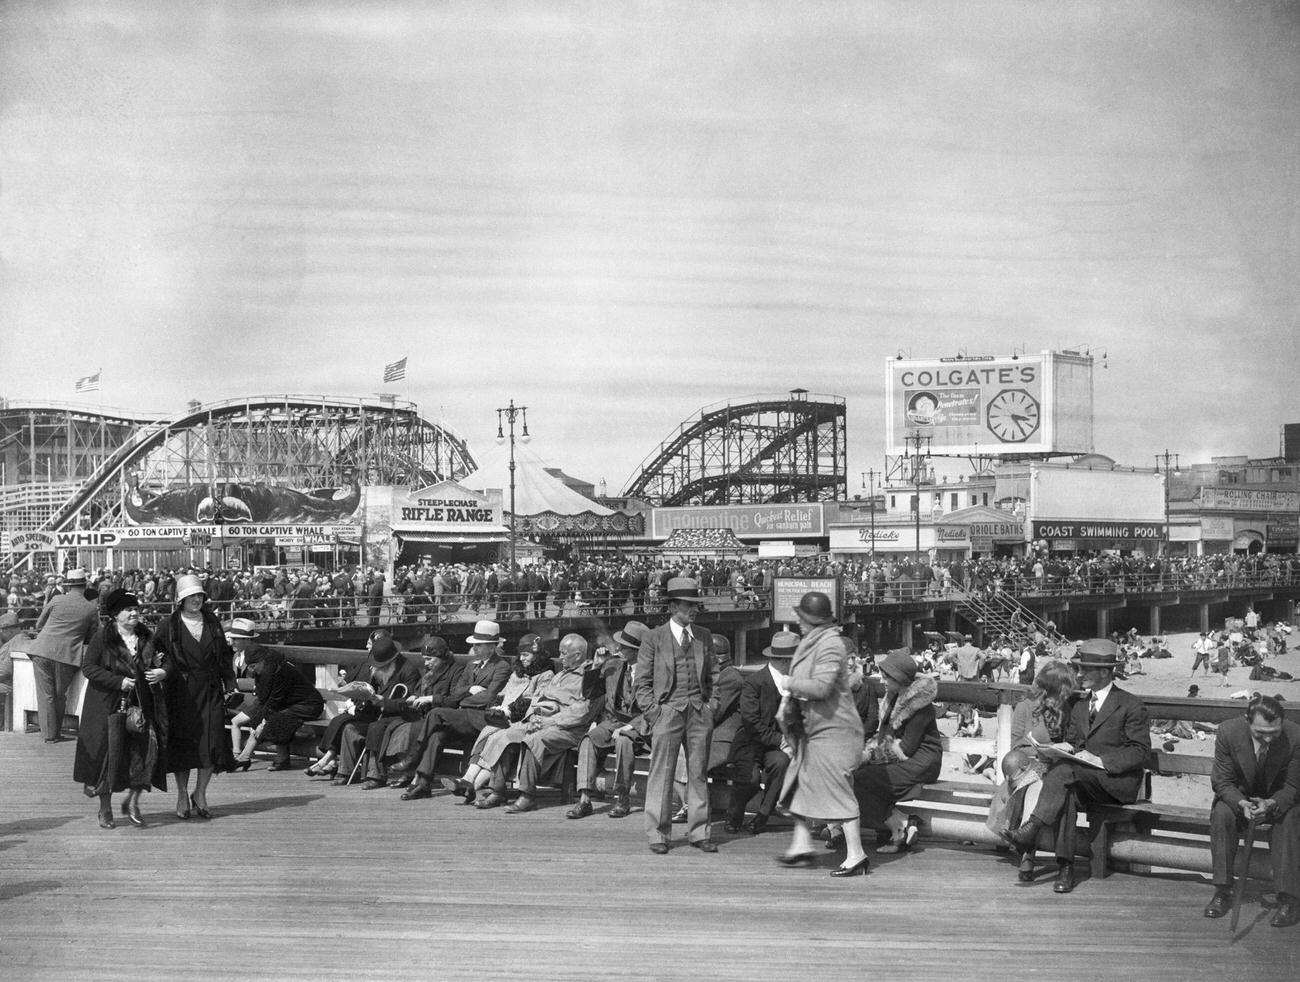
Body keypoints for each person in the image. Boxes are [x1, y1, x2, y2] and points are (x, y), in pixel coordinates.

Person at [1000, 638, 1151, 894]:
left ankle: (1032, 830)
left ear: (1104, 672)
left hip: (1115, 782)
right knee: (1065, 787)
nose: (1079, 674)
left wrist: (1101, 761)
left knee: (1064, 775)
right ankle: (1065, 867)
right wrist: (1065, 749)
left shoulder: (1130, 705)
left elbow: (1140, 752)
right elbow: (1072, 740)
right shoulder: (1079, 705)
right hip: (1081, 779)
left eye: (1085, 670)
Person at [776, 592, 869, 877]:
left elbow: (821, 688)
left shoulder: (830, 645)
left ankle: (857, 855)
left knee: (839, 791)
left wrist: (787, 683)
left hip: (835, 731)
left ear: (814, 621)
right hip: (816, 731)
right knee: (800, 784)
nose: (798, 622)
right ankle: (801, 845)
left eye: (802, 618)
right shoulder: (815, 641)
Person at [72, 589, 169, 829]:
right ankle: (105, 809)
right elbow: (89, 668)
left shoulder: (147, 636)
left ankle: (133, 804)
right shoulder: (103, 637)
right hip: (108, 706)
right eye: (128, 609)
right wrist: (118, 681)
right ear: (115, 614)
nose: (134, 612)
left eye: (135, 608)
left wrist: (162, 670)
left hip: (142, 705)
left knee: (143, 755)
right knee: (108, 757)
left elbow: (166, 660)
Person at [1204, 693, 1300, 927]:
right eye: (1261, 733)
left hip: (1277, 801)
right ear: (1247, 721)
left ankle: (1289, 899)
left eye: (1274, 732)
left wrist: (1272, 803)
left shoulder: (1295, 736)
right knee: (1222, 814)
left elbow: (1293, 786)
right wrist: (1241, 803)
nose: (1268, 739)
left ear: (1282, 723)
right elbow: (1222, 782)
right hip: (1240, 799)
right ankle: (1223, 890)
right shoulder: (1228, 732)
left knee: (1291, 818)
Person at [635, 577, 717, 854]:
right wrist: (655, 713)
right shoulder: (653, 638)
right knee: (662, 774)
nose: (693, 610)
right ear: (672, 607)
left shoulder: (704, 636)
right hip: (667, 712)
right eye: (687, 605)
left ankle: (699, 832)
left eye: (695, 605)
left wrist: (711, 706)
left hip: (698, 712)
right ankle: (658, 833)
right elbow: (641, 682)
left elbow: (714, 676)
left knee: (697, 773)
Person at [393, 621, 516, 800]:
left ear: (492, 646)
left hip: (482, 719)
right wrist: (470, 691)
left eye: (479, 645)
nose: (474, 648)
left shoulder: (502, 667)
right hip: (462, 717)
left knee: (436, 713)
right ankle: (423, 784)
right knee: (437, 735)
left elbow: (489, 698)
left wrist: (465, 697)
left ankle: (412, 757)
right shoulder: (471, 665)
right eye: (474, 645)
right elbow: (457, 692)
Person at [152, 573, 239, 820]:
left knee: (210, 744)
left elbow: (224, 656)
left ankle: (200, 793)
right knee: (184, 746)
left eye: (199, 595)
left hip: (210, 690)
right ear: (181, 600)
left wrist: (230, 683)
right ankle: (181, 794)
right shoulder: (168, 625)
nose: (196, 600)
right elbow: (156, 653)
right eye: (191, 596)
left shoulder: (212, 622)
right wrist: (159, 664)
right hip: (181, 693)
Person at [488, 633, 600, 813]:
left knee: (534, 741)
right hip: (544, 722)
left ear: (578, 655)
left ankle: (527, 796)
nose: (560, 657)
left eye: (564, 653)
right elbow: (539, 699)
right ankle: (498, 790)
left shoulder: (588, 677)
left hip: (570, 729)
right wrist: (534, 717)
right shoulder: (560, 675)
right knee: (506, 735)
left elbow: (582, 713)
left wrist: (549, 721)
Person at [854, 649, 942, 855]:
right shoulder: (893, 697)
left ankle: (899, 827)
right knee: (859, 776)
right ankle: (902, 822)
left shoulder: (921, 705)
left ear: (900, 678)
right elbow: (885, 735)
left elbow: (906, 748)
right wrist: (868, 753)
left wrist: (868, 757)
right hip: (906, 757)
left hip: (924, 760)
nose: (882, 680)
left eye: (886, 676)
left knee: (864, 777)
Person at [354, 635, 463, 789]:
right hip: (419, 713)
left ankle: (409, 772)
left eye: (430, 659)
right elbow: (417, 692)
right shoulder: (429, 672)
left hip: (437, 717)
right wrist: (414, 697)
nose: (426, 663)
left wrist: (430, 699)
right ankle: (376, 774)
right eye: (425, 659)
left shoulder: (455, 671)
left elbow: (454, 700)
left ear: (442, 657)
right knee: (379, 726)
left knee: (406, 729)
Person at [568, 621, 651, 820]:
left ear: (637, 651)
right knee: (589, 739)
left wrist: (629, 727)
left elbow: (653, 708)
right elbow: (589, 693)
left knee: (623, 740)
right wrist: (596, 666)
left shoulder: (652, 672)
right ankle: (585, 800)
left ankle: (622, 798)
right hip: (614, 721)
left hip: (641, 726)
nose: (618, 648)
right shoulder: (613, 665)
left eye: (624, 646)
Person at [227, 619, 323, 771]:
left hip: (308, 705)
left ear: (261, 662)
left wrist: (262, 722)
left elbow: (274, 700)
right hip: (290, 704)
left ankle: (245, 758)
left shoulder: (278, 671)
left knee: (275, 719)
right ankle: (277, 759)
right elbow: (267, 699)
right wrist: (260, 721)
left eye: (253, 666)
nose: (251, 670)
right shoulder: (266, 667)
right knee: (274, 719)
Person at [326, 635, 422, 786]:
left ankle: (376, 775)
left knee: (375, 728)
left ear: (391, 661)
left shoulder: (409, 671)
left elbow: (409, 703)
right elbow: (369, 690)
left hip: (399, 716)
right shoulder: (377, 670)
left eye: (382, 665)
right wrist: (361, 699)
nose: (378, 668)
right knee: (350, 728)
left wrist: (384, 702)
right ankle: (346, 771)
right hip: (377, 713)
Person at [725, 630, 795, 835]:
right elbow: (751, 722)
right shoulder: (754, 682)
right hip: (750, 742)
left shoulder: (792, 683)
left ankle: (762, 816)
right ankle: (734, 814)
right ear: (783, 661)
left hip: (775, 746)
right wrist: (782, 740)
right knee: (751, 778)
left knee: (781, 763)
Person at [26, 568, 100, 743]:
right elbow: (93, 636)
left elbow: (39, 623)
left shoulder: (57, 599)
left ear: (68, 585)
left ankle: (49, 735)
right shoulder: (90, 609)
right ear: (85, 585)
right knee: (59, 695)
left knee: (46, 695)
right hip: (66, 655)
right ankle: (54, 733)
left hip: (41, 650)